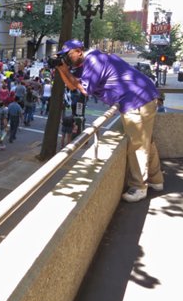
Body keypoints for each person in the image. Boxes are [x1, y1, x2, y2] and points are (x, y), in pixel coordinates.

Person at [54, 39, 164, 202]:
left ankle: (139, 187)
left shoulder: (94, 61)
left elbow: (84, 90)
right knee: (147, 141)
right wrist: (61, 69)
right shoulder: (89, 62)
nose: (67, 59)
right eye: (64, 56)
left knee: (138, 145)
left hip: (136, 100)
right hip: (143, 97)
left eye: (68, 55)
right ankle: (156, 180)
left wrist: (64, 69)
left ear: (79, 51)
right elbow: (72, 86)